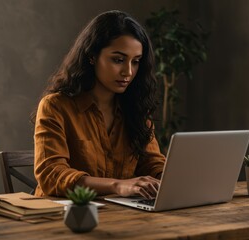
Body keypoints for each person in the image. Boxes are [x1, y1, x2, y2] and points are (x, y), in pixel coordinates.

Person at [32, 10, 166, 200]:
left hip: (122, 216)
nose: (128, 71)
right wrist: (117, 185)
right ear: (92, 56)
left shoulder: (135, 108)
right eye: (118, 60)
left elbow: (152, 164)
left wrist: (170, 181)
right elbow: (51, 174)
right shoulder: (55, 106)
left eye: (135, 62)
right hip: (62, 217)